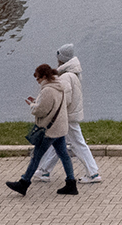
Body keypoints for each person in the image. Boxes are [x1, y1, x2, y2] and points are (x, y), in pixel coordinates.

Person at [33, 43, 100, 184]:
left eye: (58, 57)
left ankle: (93, 173)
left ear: (62, 59)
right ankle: (44, 171)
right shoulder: (73, 73)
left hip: (67, 116)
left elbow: (64, 98)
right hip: (71, 114)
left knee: (77, 143)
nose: (57, 60)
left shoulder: (65, 76)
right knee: (58, 143)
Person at [7, 64, 77, 196]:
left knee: (36, 157)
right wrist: (37, 102)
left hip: (49, 130)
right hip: (59, 127)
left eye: (38, 78)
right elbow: (52, 105)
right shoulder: (60, 86)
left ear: (44, 76)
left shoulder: (47, 90)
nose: (37, 81)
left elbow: (41, 111)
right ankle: (71, 183)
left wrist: (32, 105)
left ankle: (24, 183)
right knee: (64, 156)